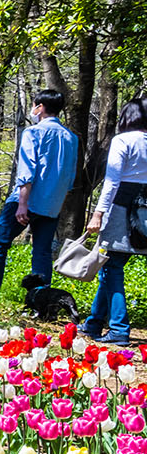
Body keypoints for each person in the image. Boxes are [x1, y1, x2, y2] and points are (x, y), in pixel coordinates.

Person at [0, 88, 78, 306]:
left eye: (35, 105)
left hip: (27, 200)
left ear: (40, 107)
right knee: (41, 252)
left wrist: (22, 203)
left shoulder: (33, 133)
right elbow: (70, 178)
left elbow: (27, 169)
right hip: (52, 205)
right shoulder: (71, 138)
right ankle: (40, 302)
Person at [81, 98, 147, 346]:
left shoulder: (123, 140)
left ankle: (119, 328)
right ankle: (94, 322)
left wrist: (98, 213)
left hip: (121, 209)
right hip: (144, 214)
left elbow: (112, 181)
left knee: (111, 267)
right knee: (111, 264)